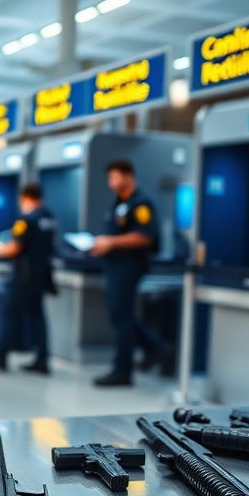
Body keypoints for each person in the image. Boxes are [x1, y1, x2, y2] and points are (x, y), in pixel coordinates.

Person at [89, 159, 165, 387]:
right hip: (114, 266)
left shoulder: (141, 203)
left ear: (128, 176)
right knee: (120, 314)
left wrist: (110, 242)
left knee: (121, 316)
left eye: (114, 177)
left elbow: (144, 236)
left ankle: (122, 371)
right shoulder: (118, 202)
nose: (110, 183)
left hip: (129, 266)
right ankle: (157, 349)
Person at [0, 182, 56, 375]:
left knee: (10, 313)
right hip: (42, 274)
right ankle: (42, 360)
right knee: (37, 316)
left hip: (23, 275)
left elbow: (15, 248)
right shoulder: (48, 217)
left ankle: (0, 355)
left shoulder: (25, 220)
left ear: (24, 197)